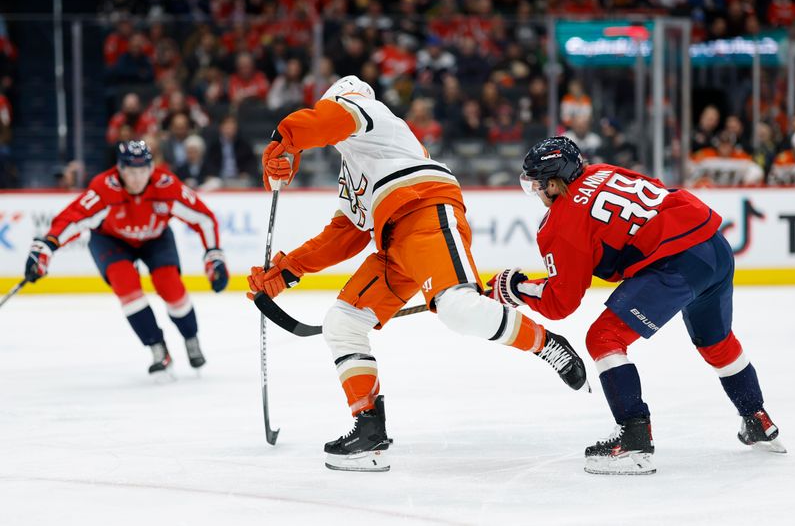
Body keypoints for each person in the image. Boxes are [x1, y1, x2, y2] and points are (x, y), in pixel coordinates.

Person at [247, 76, 588, 472]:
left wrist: (286, 140)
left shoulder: (371, 115)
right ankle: (369, 429)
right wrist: (286, 272)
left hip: (425, 213)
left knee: (459, 310)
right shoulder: (354, 164)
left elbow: (329, 118)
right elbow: (345, 234)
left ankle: (546, 344)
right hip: (392, 243)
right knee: (343, 323)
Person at [486, 136, 786, 475]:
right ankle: (757, 418)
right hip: (713, 246)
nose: (537, 192)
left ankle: (633, 438)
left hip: (677, 263)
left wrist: (515, 288)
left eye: (538, 184)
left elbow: (561, 302)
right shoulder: (602, 171)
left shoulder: (562, 220)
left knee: (603, 338)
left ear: (553, 183)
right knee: (716, 342)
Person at [24, 140, 228, 375]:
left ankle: (191, 338)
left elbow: (203, 218)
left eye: (143, 170)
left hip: (155, 238)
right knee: (126, 285)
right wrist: (46, 247)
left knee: (169, 285)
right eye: (132, 171)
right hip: (111, 240)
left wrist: (213, 255)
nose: (138, 178)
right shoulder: (104, 189)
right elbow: (74, 217)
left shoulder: (166, 185)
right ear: (120, 169)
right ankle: (157, 347)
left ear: (151, 168)